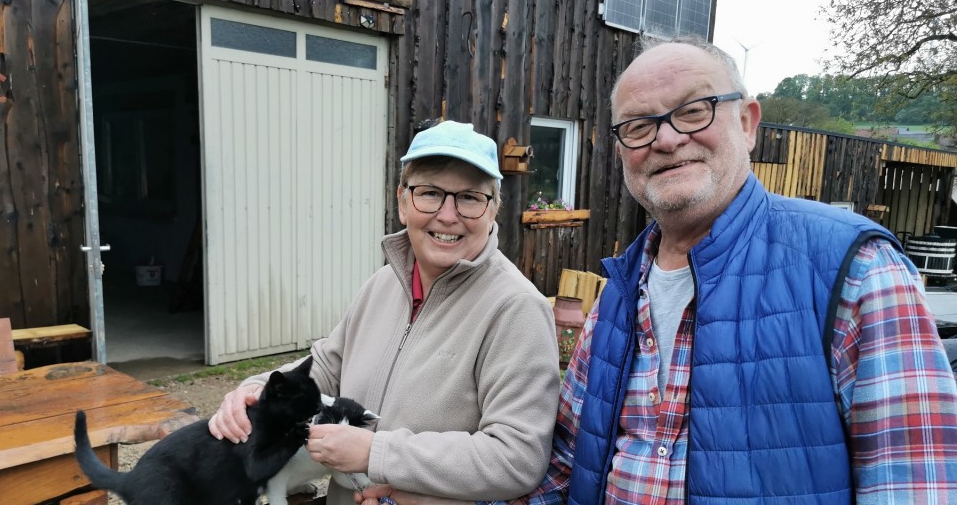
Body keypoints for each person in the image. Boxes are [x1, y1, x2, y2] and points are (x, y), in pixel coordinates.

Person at [509, 36, 957, 505]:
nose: (666, 138)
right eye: (639, 125)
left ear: (747, 124)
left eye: (693, 110)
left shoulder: (856, 271)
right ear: (622, 150)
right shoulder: (618, 294)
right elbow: (563, 467)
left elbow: (915, 485)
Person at [209, 120, 561, 505]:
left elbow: (517, 458)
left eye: (470, 198)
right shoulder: (383, 284)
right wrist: (257, 389)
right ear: (402, 200)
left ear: (493, 209)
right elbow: (328, 366)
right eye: (429, 193)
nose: (447, 215)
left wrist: (377, 452)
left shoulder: (516, 309)